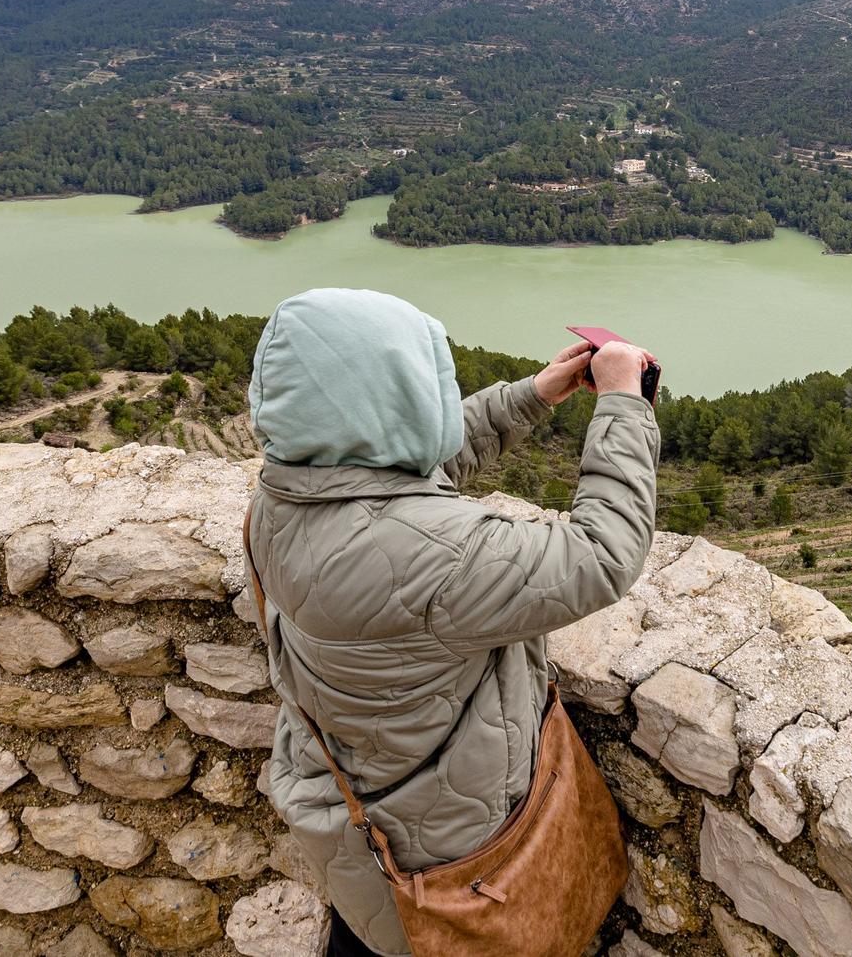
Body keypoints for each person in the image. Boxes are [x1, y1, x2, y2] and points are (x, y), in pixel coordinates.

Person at [242, 288, 659, 956]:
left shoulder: (280, 498)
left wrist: (533, 394)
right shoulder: (432, 556)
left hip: (362, 830)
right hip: (453, 859)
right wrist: (622, 403)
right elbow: (601, 553)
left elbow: (401, 472)